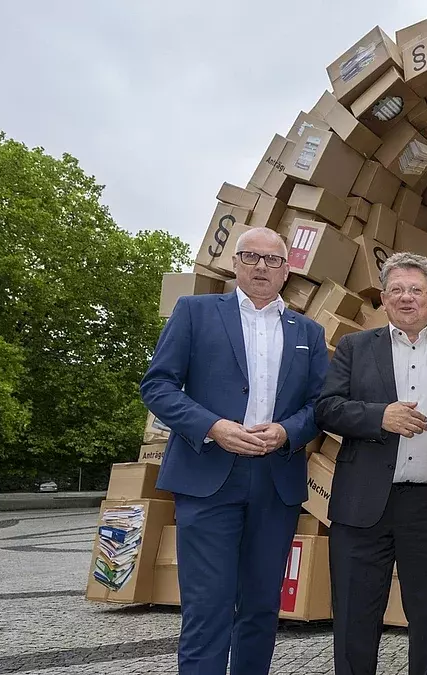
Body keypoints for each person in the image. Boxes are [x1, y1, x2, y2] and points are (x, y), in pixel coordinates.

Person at [140, 228, 329, 674]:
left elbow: (321, 405)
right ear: (235, 263)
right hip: (208, 478)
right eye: (251, 257)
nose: (262, 267)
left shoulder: (309, 331)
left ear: (288, 271)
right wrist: (213, 426)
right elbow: (158, 385)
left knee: (262, 607)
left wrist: (287, 432)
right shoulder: (195, 311)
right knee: (207, 606)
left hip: (275, 481)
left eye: (273, 260)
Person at [313, 252, 427, 675]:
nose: (406, 298)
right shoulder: (355, 347)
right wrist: (379, 416)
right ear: (384, 299)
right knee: (355, 618)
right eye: (397, 290)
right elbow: (326, 409)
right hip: (362, 506)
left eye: (416, 290)